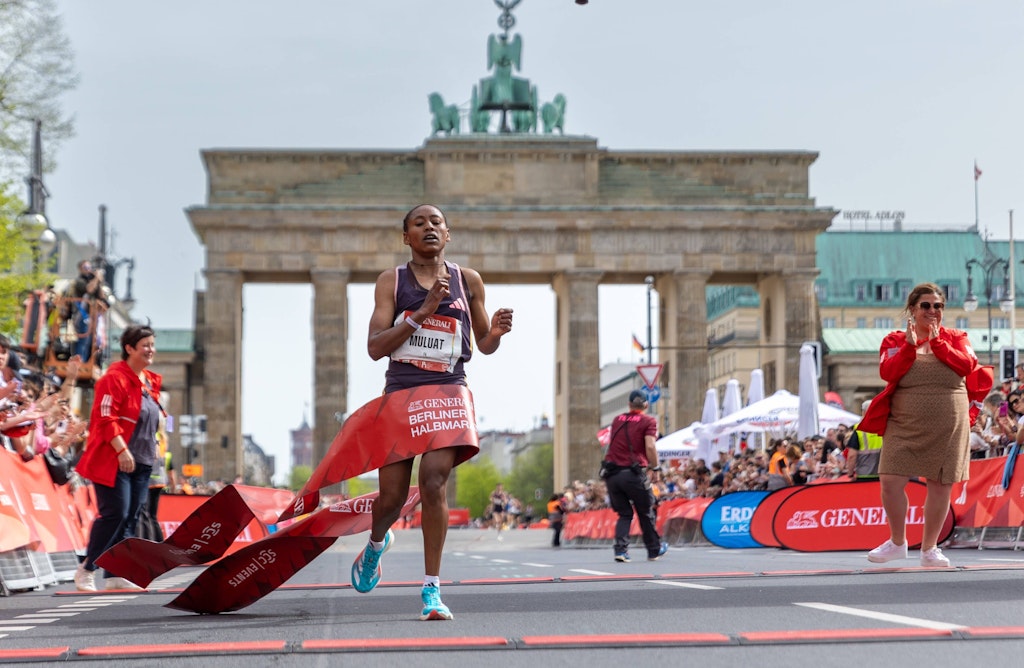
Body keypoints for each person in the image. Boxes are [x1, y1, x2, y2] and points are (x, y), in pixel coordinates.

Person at [350, 204, 513, 621]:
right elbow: (374, 347)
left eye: (436, 222)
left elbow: (482, 343)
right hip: (402, 393)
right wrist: (422, 312)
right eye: (418, 223)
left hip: (449, 392)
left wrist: (493, 332)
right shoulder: (392, 281)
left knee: (434, 482)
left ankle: (431, 589)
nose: (428, 228)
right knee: (390, 499)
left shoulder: (468, 280)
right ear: (406, 237)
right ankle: (376, 543)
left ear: (448, 234)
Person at [859, 283, 990, 568]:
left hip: (948, 422)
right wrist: (909, 345)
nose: (932, 311)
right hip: (904, 422)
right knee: (890, 481)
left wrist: (939, 343)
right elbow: (888, 371)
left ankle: (930, 549)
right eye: (926, 306)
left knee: (940, 484)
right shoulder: (894, 340)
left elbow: (967, 365)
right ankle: (897, 541)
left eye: (938, 306)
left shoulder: (957, 337)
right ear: (913, 309)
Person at [73, 324, 163, 591]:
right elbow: (105, 417)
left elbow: (147, 419)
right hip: (114, 459)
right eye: (145, 345)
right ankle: (86, 568)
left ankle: (114, 573)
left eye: (152, 345)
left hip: (143, 460)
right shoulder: (114, 378)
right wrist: (122, 449)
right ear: (129, 349)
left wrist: (154, 443)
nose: (150, 350)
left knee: (131, 517)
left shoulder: (149, 382)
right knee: (115, 514)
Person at [604, 389, 668, 563]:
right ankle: (654, 549)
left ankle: (621, 550)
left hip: (612, 475)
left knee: (625, 514)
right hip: (633, 474)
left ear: (629, 404)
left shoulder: (618, 419)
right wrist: (655, 467)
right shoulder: (649, 421)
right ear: (646, 405)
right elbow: (650, 446)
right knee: (645, 511)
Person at [845, 400, 883, 480]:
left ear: (864, 412)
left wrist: (850, 474)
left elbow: (852, 456)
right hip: (883, 476)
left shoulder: (859, 430)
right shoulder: (884, 427)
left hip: (864, 476)